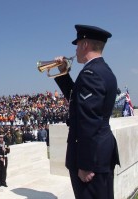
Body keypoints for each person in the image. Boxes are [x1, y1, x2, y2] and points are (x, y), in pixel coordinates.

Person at [53, 24, 120, 199]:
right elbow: (77, 100)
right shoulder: (102, 71)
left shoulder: (91, 74)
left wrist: (85, 164)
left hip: (91, 159)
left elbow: (89, 120)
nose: (75, 50)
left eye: (77, 45)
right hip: (99, 152)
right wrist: (63, 73)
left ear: (84, 45)